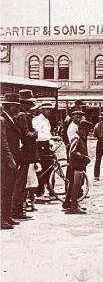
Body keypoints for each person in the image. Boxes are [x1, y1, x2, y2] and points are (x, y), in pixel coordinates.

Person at [12, 90, 40, 219]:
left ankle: (18, 209)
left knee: (18, 184)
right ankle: (18, 211)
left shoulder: (18, 115)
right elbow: (27, 136)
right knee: (20, 184)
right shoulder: (22, 116)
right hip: (24, 154)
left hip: (19, 153)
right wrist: (35, 133)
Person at [1, 94, 22, 229]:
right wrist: (10, 159)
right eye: (16, 106)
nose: (18, 109)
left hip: (10, 160)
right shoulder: (2, 120)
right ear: (9, 106)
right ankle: (2, 219)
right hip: (5, 162)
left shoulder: (9, 119)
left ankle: (7, 216)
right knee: (4, 190)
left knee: (9, 189)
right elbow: (3, 143)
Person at [32, 101, 60, 198]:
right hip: (39, 146)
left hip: (47, 146)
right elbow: (38, 136)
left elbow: (47, 134)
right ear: (42, 110)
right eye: (48, 110)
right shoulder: (36, 120)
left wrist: (51, 143)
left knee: (50, 168)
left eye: (50, 110)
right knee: (41, 169)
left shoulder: (47, 121)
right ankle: (39, 191)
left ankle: (51, 190)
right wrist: (51, 138)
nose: (49, 111)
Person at [66, 120, 93, 214]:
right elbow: (72, 152)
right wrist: (84, 157)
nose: (87, 133)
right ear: (82, 130)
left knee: (75, 185)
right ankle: (73, 206)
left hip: (78, 165)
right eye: (86, 131)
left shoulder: (78, 137)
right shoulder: (77, 138)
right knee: (75, 186)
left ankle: (73, 204)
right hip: (77, 165)